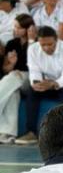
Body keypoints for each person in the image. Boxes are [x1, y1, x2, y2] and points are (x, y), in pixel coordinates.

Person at [15, 27, 63, 145]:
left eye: (50, 44)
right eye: (43, 44)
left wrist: (53, 84)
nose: (46, 48)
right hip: (51, 80)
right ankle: (31, 132)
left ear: (56, 40)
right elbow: (34, 71)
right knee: (32, 91)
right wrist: (37, 83)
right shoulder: (33, 49)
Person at [0, 15, 34, 143]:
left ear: (28, 28)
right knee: (12, 93)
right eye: (14, 26)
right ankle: (7, 134)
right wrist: (12, 64)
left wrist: (31, 40)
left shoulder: (37, 42)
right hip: (15, 80)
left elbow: (37, 64)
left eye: (18, 27)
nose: (15, 30)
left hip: (32, 79)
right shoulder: (11, 43)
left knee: (14, 77)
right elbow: (5, 70)